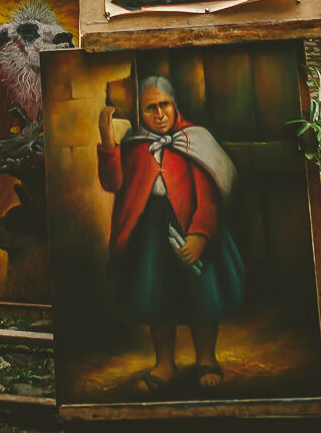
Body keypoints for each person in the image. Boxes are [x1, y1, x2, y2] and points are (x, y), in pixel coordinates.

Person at [97, 74, 244, 395]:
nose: (159, 114)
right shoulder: (135, 145)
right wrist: (108, 143)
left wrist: (201, 235)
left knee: (202, 292)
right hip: (150, 230)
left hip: (191, 226)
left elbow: (208, 194)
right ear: (141, 112)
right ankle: (165, 362)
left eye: (164, 105)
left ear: (175, 105)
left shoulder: (195, 139)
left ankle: (206, 358)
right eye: (151, 108)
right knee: (157, 295)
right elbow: (114, 184)